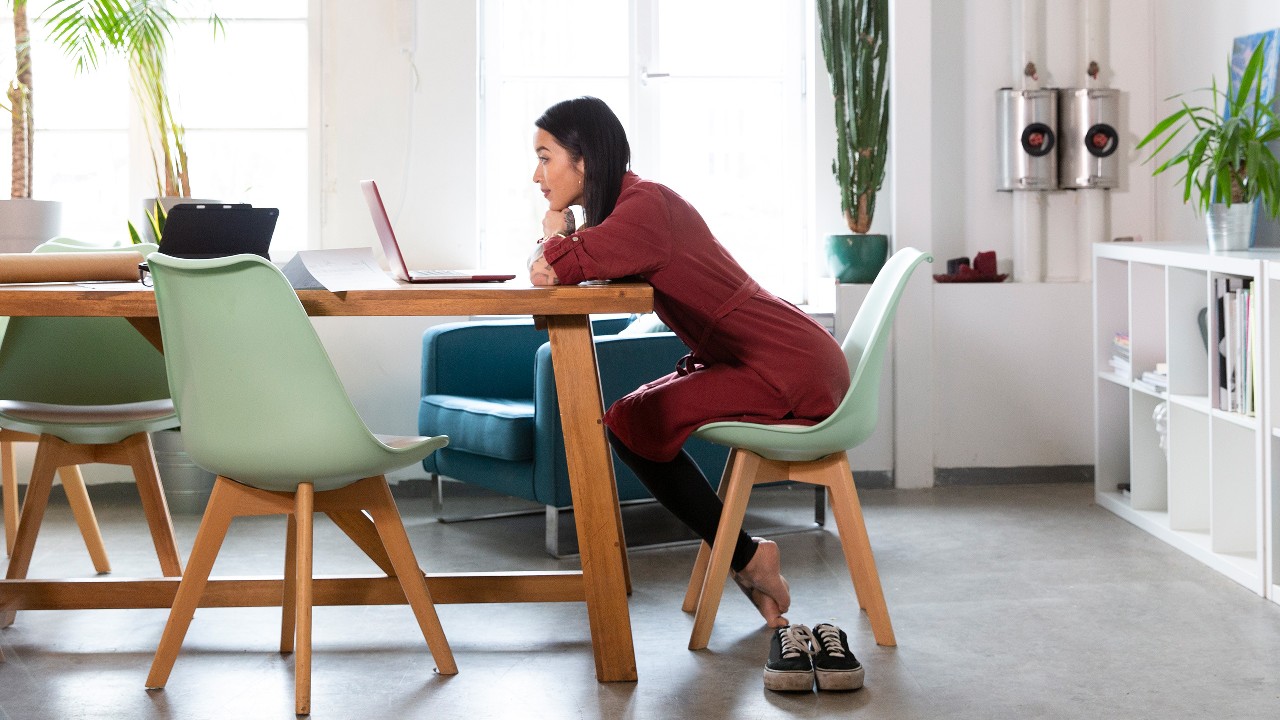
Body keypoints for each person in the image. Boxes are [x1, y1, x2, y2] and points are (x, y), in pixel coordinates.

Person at [527, 96, 850, 629]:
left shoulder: (646, 207)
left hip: (788, 363)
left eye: (545, 157)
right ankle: (748, 558)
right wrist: (561, 239)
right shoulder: (627, 211)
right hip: (754, 356)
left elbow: (550, 271)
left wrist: (554, 230)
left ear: (583, 159)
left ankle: (746, 557)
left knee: (634, 423)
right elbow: (558, 267)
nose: (537, 175)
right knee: (630, 420)